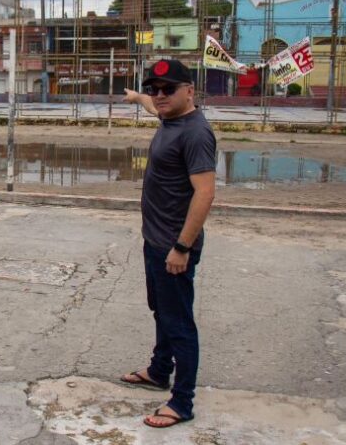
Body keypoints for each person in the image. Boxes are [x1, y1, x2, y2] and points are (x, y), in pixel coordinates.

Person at [118, 59, 216, 429]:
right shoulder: (171, 117)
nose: (159, 96)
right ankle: (159, 370)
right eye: (154, 89)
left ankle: (182, 401)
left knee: (179, 323)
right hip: (156, 240)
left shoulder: (195, 133)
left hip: (174, 246)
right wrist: (136, 97)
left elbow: (205, 194)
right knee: (161, 310)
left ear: (189, 91)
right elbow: (151, 102)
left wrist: (182, 247)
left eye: (167, 89)